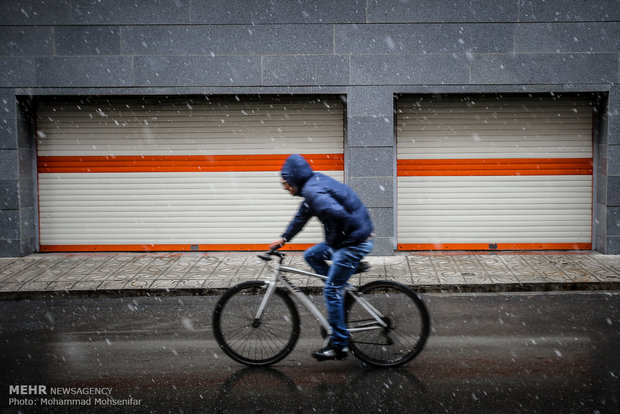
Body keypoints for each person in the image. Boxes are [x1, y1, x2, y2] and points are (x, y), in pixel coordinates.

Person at [270, 154, 374, 361]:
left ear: (294, 179)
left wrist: (339, 244)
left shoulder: (314, 192)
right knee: (311, 255)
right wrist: (284, 238)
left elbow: (340, 216)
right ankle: (341, 280)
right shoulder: (312, 186)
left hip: (352, 241)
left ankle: (339, 345)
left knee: (331, 291)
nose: (285, 187)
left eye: (285, 183)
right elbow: (302, 216)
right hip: (351, 236)